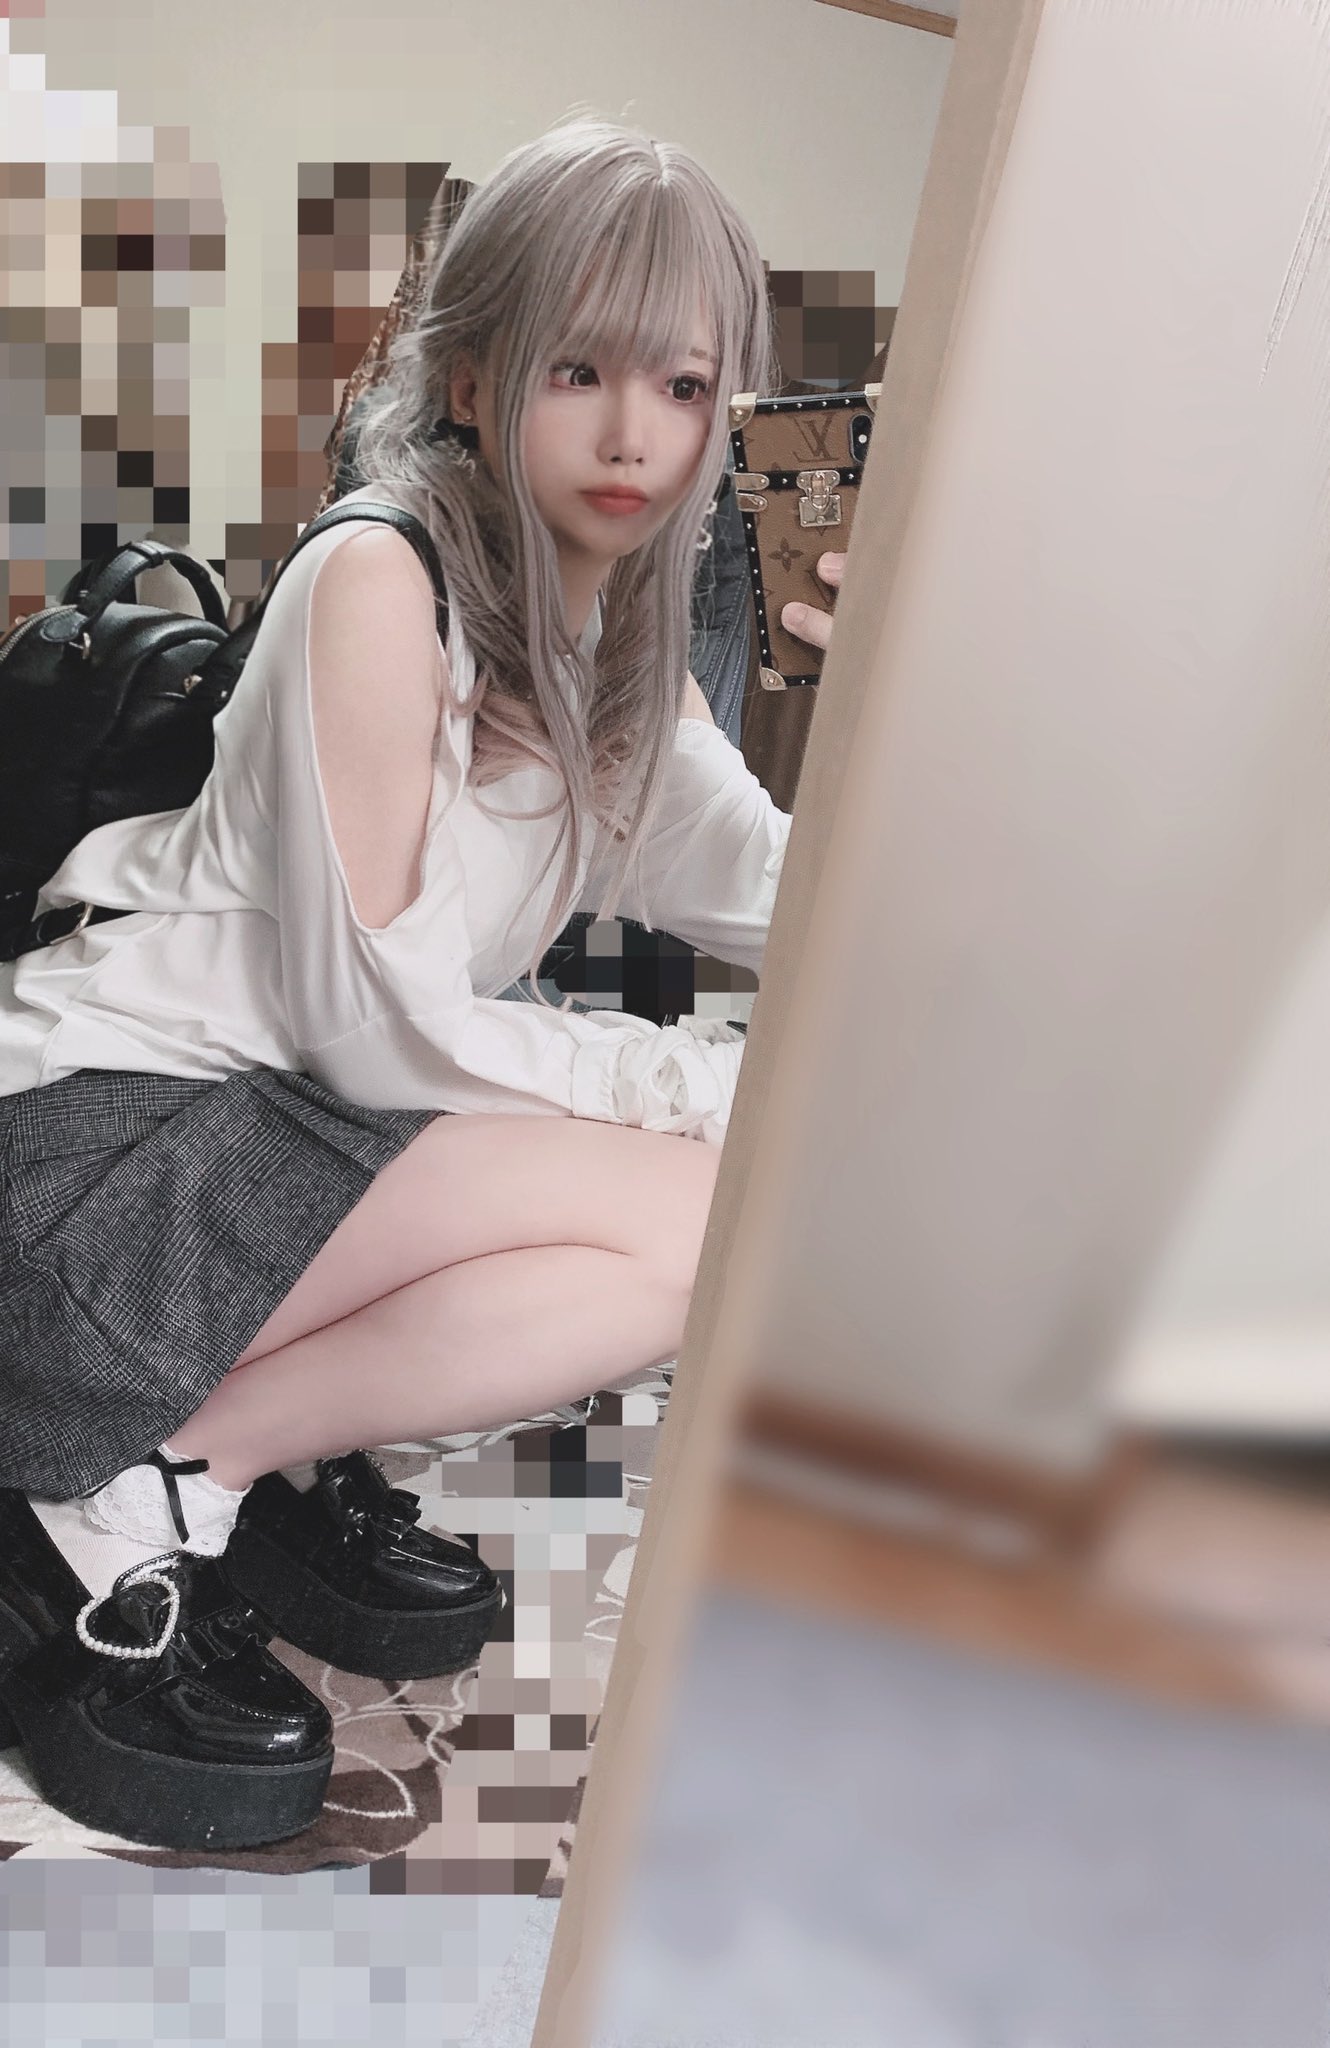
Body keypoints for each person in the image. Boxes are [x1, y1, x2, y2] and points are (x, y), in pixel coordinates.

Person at [0, 116, 845, 1850]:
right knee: (707, 1186)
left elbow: (806, 911)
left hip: (256, 1157)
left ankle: (188, 1463)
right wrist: (689, 1078)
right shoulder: (378, 578)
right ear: (471, 378)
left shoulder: (614, 647)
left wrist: (906, 678)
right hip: (87, 1171)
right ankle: (120, 1476)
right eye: (578, 371)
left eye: (684, 386)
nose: (633, 434)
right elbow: (373, 1037)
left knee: (716, 1214)